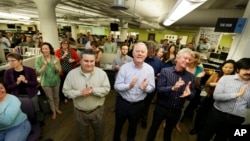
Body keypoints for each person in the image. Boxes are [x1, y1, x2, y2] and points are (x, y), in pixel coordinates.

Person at [146, 48, 196, 141]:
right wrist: (172, 88)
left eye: (189, 59)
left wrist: (188, 94)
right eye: (185, 58)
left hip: (176, 111)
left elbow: (192, 94)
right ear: (177, 58)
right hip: (161, 108)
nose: (187, 61)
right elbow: (159, 89)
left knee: (168, 133)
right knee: (153, 130)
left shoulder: (191, 77)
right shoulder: (165, 71)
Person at [196, 58, 250, 141]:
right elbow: (216, 96)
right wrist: (237, 94)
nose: (249, 72)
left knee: (222, 138)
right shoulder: (226, 79)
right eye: (246, 69)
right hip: (218, 115)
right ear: (238, 69)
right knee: (204, 136)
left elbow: (248, 105)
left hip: (236, 119)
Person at [63, 49, 110, 141]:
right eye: (86, 61)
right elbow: (66, 92)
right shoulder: (71, 74)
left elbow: (107, 89)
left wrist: (93, 90)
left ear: (95, 61)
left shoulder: (102, 74)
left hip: (97, 111)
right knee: (82, 135)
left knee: (99, 133)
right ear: (80, 61)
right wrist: (80, 93)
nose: (89, 64)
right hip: (79, 112)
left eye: (92, 61)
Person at [113, 42, 155, 141]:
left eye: (142, 52)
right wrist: (129, 85)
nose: (139, 54)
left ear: (146, 54)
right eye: (137, 51)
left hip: (138, 105)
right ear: (133, 53)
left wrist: (145, 87)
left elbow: (152, 88)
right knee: (118, 126)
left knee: (133, 128)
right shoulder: (124, 68)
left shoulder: (150, 70)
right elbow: (116, 86)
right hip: (122, 103)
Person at [189, 59, 236, 135]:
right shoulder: (216, 74)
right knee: (201, 113)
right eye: (226, 67)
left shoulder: (234, 79)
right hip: (210, 97)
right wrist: (216, 84)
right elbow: (207, 83)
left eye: (230, 68)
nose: (227, 69)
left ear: (234, 69)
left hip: (222, 100)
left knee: (211, 117)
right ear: (222, 67)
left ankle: (204, 131)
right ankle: (196, 128)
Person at [35, 42, 62, 120]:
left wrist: (55, 65)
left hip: (56, 80)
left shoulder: (55, 58)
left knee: (56, 96)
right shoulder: (38, 59)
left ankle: (57, 108)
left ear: (50, 49)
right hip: (45, 82)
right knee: (50, 98)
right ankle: (53, 111)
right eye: (43, 49)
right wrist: (45, 64)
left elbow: (59, 71)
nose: (45, 50)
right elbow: (39, 72)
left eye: (46, 48)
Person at [141, 41, 164, 129]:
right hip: (139, 87)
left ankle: (144, 119)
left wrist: (157, 77)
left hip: (151, 87)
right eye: (148, 51)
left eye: (151, 51)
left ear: (154, 50)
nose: (150, 53)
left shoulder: (158, 62)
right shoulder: (141, 59)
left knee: (147, 104)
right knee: (138, 103)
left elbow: (161, 75)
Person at [55, 40, 80, 104]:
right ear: (61, 44)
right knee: (63, 85)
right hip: (62, 72)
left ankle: (71, 96)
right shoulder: (58, 51)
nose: (64, 44)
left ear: (68, 44)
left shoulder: (72, 51)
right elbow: (56, 61)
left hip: (71, 71)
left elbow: (78, 59)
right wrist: (63, 57)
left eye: (66, 43)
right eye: (63, 43)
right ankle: (64, 97)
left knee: (71, 84)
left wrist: (73, 60)